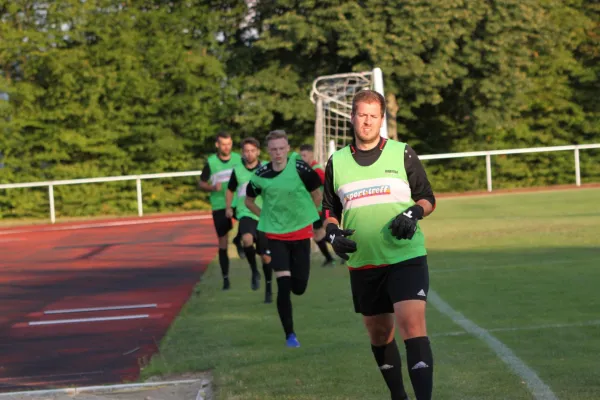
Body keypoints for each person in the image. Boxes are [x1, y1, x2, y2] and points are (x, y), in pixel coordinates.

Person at [322, 90, 436, 400]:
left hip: (405, 256)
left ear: (382, 120)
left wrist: (413, 212)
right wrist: (332, 234)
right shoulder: (338, 161)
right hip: (364, 262)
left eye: (374, 115)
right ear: (352, 118)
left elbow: (427, 198)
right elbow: (329, 211)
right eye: (362, 114)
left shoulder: (402, 153)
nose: (367, 121)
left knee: (412, 324)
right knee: (379, 334)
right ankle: (398, 395)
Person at [245, 130, 322, 348]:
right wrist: (265, 217)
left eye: (281, 148)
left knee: (299, 287)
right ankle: (290, 335)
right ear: (268, 152)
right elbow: (249, 201)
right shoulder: (260, 175)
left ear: (288, 148)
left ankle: (291, 332)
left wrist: (311, 218)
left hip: (300, 234)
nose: (278, 153)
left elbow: (317, 193)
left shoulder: (300, 167)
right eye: (274, 149)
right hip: (276, 236)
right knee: (284, 284)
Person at [225, 137, 273, 303]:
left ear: (258, 152)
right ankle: (254, 271)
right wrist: (229, 207)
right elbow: (230, 190)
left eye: (253, 150)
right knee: (247, 239)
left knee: (266, 257)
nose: (250, 154)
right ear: (242, 153)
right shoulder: (237, 169)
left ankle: (268, 287)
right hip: (245, 211)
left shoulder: (267, 167)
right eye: (246, 151)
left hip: (264, 214)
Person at [199, 131, 244, 291]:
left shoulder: (239, 159)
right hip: (219, 205)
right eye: (223, 144)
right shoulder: (211, 163)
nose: (227, 147)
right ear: (217, 145)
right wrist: (212, 187)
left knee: (249, 222)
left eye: (229, 144)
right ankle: (226, 278)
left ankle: (238, 240)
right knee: (223, 242)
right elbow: (201, 182)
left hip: (238, 201)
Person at [299, 144, 336, 266]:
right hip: (314, 207)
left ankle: (336, 253)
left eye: (305, 155)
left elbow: (328, 183)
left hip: (319, 207)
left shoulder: (316, 169)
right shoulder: (306, 169)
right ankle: (333, 256)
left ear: (311, 155)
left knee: (318, 234)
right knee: (318, 234)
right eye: (301, 155)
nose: (303, 158)